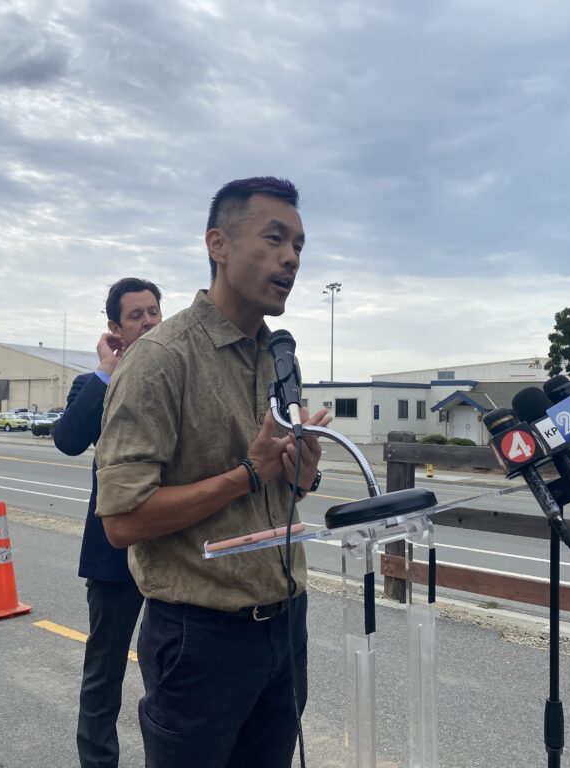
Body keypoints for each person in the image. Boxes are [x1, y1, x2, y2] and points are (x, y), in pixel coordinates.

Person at [95, 177, 331, 767]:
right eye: (274, 238)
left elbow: (281, 489)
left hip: (284, 625)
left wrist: (300, 473)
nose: (291, 258)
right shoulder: (161, 359)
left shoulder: (279, 356)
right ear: (218, 244)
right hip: (199, 638)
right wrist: (247, 474)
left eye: (299, 245)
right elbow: (121, 520)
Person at [54, 277, 163, 768]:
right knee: (105, 667)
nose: (147, 322)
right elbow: (68, 439)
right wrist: (105, 371)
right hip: (114, 547)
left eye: (153, 312)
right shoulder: (93, 383)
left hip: (174, 545)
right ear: (114, 328)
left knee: (172, 668)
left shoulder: (176, 374)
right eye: (135, 315)